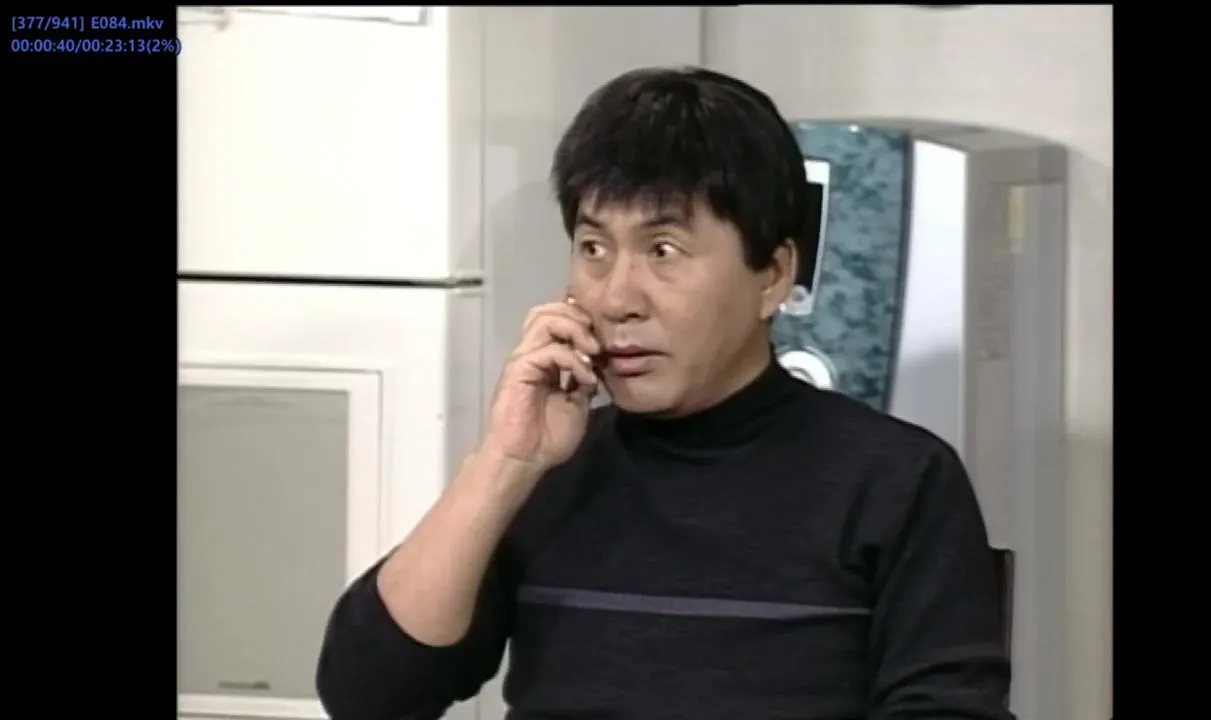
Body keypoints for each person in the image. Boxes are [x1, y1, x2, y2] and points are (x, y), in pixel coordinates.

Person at [315, 66, 1012, 720]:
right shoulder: (551, 473)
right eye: (594, 248)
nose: (617, 297)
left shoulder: (896, 481)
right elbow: (367, 696)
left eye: (663, 251)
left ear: (773, 275)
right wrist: (504, 463)